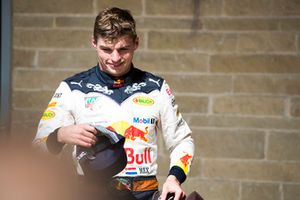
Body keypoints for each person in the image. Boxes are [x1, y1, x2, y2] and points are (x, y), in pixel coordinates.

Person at [33, 7, 194, 200]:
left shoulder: (156, 88)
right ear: (94, 42)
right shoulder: (72, 89)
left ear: (136, 43)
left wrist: (174, 179)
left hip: (144, 193)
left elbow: (182, 141)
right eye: (106, 49)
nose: (115, 58)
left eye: (123, 49)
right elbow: (36, 151)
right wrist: (59, 136)